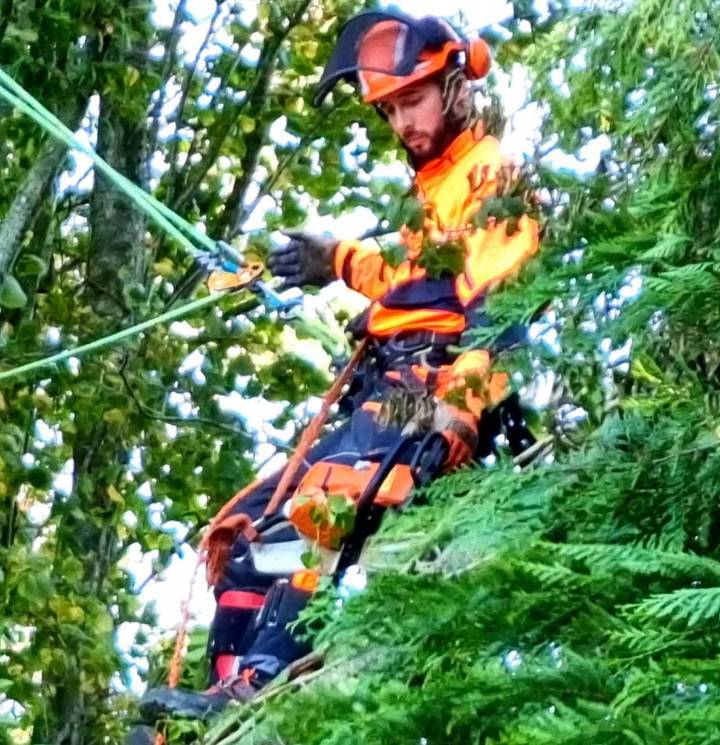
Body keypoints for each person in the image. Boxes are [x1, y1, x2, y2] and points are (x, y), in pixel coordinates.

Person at [139, 9, 539, 721]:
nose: (402, 123)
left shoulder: (490, 177)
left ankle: (260, 678)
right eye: (389, 110)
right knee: (248, 536)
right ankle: (210, 704)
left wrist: (460, 407)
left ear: (454, 86)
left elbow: (498, 309)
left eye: (411, 101)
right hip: (383, 388)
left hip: (427, 395)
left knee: (322, 499)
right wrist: (338, 261)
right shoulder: (435, 192)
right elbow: (417, 283)